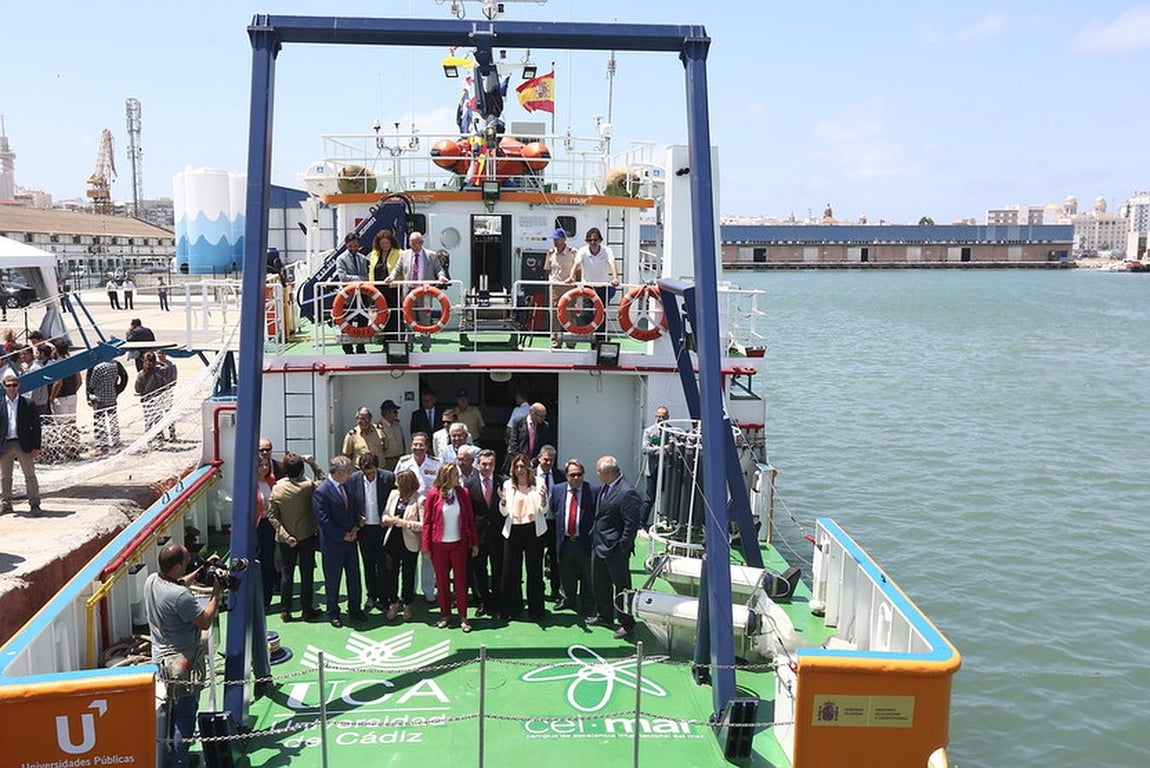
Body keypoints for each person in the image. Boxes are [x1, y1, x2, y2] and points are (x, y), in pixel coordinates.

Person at [144, 543, 223, 768]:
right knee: (185, 714)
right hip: (182, 662)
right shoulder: (180, 597)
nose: (188, 564)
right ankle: (179, 762)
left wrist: (202, 569)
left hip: (160, 658)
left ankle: (171, 757)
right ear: (177, 565)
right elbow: (205, 620)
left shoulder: (152, 581)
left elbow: (178, 583)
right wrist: (217, 593)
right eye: (186, 563)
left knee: (169, 712)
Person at [267, 452, 326, 622]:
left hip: (286, 539)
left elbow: (272, 515)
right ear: (301, 470)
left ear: (285, 470)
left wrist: (286, 536)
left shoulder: (277, 487)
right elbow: (324, 481)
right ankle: (307, 610)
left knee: (287, 574)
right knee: (307, 574)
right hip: (306, 536)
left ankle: (286, 610)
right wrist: (313, 464)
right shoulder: (308, 486)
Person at [589, 455, 642, 639]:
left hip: (615, 549)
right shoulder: (607, 487)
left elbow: (631, 524)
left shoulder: (627, 492)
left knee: (622, 588)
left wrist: (622, 548)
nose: (596, 474)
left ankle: (627, 623)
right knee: (600, 583)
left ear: (607, 472)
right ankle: (604, 615)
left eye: (598, 471)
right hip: (599, 545)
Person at [421, 462, 479, 631]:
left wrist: (474, 542)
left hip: (459, 544)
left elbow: (469, 519)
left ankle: (463, 617)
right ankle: (445, 615)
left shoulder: (463, 493)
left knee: (460, 582)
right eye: (455, 475)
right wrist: (426, 547)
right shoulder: (433, 494)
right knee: (442, 582)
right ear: (446, 477)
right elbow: (427, 523)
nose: (458, 477)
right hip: (439, 545)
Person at [312, 455, 365, 627]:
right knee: (333, 579)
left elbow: (353, 507)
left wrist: (357, 523)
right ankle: (333, 612)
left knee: (354, 576)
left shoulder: (347, 485)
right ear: (340, 472)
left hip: (351, 540)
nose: (351, 474)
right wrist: (342, 535)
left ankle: (355, 608)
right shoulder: (322, 491)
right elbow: (323, 519)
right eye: (349, 471)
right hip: (333, 543)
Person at [499, 453, 548, 621]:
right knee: (512, 571)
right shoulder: (507, 484)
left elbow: (544, 510)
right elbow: (504, 512)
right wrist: (503, 502)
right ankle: (513, 607)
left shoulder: (539, 483)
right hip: (513, 531)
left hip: (534, 530)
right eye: (517, 467)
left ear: (528, 468)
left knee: (534, 571)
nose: (519, 470)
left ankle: (536, 609)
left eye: (522, 466)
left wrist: (543, 500)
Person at [394, 433, 441, 602]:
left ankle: (428, 590)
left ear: (427, 447)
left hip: (430, 513)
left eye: (421, 445)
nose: (417, 448)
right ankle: (410, 589)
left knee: (428, 554)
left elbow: (440, 487)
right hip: (410, 511)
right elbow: (397, 484)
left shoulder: (435, 463)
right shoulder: (404, 462)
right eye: (415, 444)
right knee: (409, 552)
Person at [348, 452, 396, 613]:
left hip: (382, 528)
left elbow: (396, 500)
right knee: (368, 564)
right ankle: (371, 595)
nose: (369, 475)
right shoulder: (354, 479)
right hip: (365, 530)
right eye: (366, 473)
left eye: (372, 472)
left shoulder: (388, 477)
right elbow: (350, 503)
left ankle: (384, 597)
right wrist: (357, 518)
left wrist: (388, 517)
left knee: (383, 564)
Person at [550, 458, 596, 614]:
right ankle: (568, 600)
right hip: (565, 541)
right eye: (572, 475)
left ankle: (587, 604)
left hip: (584, 541)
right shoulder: (557, 490)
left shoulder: (593, 491)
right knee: (566, 572)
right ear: (566, 476)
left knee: (587, 574)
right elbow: (555, 511)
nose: (576, 478)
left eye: (579, 475)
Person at [465, 448, 505, 617]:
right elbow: (468, 514)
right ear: (477, 464)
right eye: (484, 464)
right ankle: (483, 601)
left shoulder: (504, 482)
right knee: (479, 570)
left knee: (498, 569)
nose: (487, 467)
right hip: (478, 535)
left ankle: (497, 601)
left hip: (498, 535)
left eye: (491, 464)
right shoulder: (468, 484)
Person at [380, 469, 423, 621]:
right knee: (390, 572)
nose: (395, 484)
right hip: (392, 540)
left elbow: (424, 524)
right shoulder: (393, 495)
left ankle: (407, 603)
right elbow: (385, 514)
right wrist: (389, 520)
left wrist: (405, 523)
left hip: (409, 541)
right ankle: (393, 602)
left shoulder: (419, 499)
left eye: (398, 482)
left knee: (408, 573)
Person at [0, 371, 41, 515]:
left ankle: (34, 503)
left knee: (29, 475)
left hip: (24, 443)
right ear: (4, 386)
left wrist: (36, 446)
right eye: (9, 385)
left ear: (19, 386)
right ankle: (6, 504)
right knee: (5, 477)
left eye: (14, 385)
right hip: (5, 445)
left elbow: (36, 426)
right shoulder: (0, 404)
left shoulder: (28, 403)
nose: (12, 388)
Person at [567, 227, 619, 341]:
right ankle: (590, 336)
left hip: (602, 287)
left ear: (600, 240)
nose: (592, 242)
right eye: (590, 240)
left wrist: (615, 278)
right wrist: (572, 277)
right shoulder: (583, 251)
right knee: (587, 314)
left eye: (595, 240)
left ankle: (600, 340)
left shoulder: (607, 251)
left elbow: (612, 264)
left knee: (601, 315)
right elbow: (576, 264)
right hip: (588, 288)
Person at [535, 445, 565, 599]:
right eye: (546, 459)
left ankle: (556, 590)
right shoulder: (530, 475)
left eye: (551, 460)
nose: (548, 463)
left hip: (554, 522)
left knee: (555, 557)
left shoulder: (560, 475)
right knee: (536, 558)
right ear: (539, 458)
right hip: (537, 522)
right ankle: (538, 590)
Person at [544, 227, 579, 347]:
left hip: (569, 287)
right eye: (554, 239)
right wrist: (552, 280)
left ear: (564, 239)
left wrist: (575, 285)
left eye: (557, 239)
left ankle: (571, 341)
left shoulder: (573, 253)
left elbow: (578, 271)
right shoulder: (550, 253)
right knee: (555, 314)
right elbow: (548, 269)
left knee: (570, 314)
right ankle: (555, 341)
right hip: (555, 288)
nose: (555, 241)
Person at [334, 233, 368, 354]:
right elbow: (343, 277)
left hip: (362, 296)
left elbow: (367, 275)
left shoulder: (363, 258)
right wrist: (359, 279)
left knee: (363, 321)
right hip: (347, 297)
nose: (353, 248)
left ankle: (361, 347)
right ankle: (347, 348)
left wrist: (362, 279)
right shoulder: (341, 259)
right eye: (350, 246)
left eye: (355, 246)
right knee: (346, 322)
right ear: (346, 245)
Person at [87, 358, 128, 452]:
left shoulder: (98, 367)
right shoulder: (115, 365)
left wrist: (89, 395)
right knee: (113, 420)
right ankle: (116, 440)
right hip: (112, 397)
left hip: (100, 398)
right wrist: (118, 389)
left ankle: (103, 443)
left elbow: (92, 384)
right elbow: (124, 377)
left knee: (100, 421)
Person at [51, 340, 82, 460]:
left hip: (62, 397)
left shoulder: (58, 363)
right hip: (72, 395)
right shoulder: (71, 361)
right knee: (72, 424)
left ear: (56, 349)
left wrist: (52, 397)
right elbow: (79, 381)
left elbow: (58, 382)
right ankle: (74, 448)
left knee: (63, 426)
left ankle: (65, 451)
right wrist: (73, 390)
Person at [640, 406, 671, 527]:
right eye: (659, 416)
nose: (661, 419)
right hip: (652, 470)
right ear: (655, 416)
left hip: (668, 470)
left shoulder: (672, 431)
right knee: (650, 498)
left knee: (669, 497)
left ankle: (668, 522)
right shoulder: (649, 431)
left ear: (668, 417)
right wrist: (662, 449)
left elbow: (674, 449)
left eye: (663, 417)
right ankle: (641, 524)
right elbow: (645, 449)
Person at [369, 229, 403, 335]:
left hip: (393, 290)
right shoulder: (374, 254)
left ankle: (395, 340)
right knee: (382, 316)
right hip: (379, 290)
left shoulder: (399, 253)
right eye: (382, 243)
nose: (385, 245)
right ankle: (384, 341)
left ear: (391, 242)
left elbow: (401, 270)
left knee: (394, 315)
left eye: (387, 242)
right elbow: (371, 271)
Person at [135, 351, 168, 448]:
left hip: (146, 400)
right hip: (157, 399)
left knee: (148, 421)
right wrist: (159, 363)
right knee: (158, 420)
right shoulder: (159, 371)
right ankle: (160, 440)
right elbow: (166, 368)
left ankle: (149, 441)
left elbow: (137, 388)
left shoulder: (141, 374)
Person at [157, 350, 178, 441]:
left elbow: (174, 379)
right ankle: (160, 434)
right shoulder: (156, 365)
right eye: (158, 354)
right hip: (158, 393)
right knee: (158, 415)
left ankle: (172, 433)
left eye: (161, 353)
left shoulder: (171, 365)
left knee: (168, 413)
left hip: (167, 392)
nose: (160, 355)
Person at [378, 399, 405, 471]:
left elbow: (402, 442)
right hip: (388, 461)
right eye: (395, 412)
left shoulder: (397, 425)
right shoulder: (379, 428)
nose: (397, 414)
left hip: (400, 459)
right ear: (387, 413)